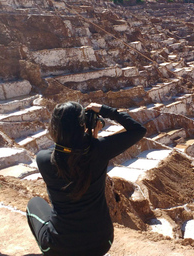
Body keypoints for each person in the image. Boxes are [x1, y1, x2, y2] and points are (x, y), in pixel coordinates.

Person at [26, 101, 146, 256]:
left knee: (34, 203)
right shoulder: (99, 150)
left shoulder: (43, 159)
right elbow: (138, 130)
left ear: (54, 128)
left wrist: (89, 140)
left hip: (61, 247)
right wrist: (104, 111)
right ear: (84, 125)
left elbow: (67, 155)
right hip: (102, 243)